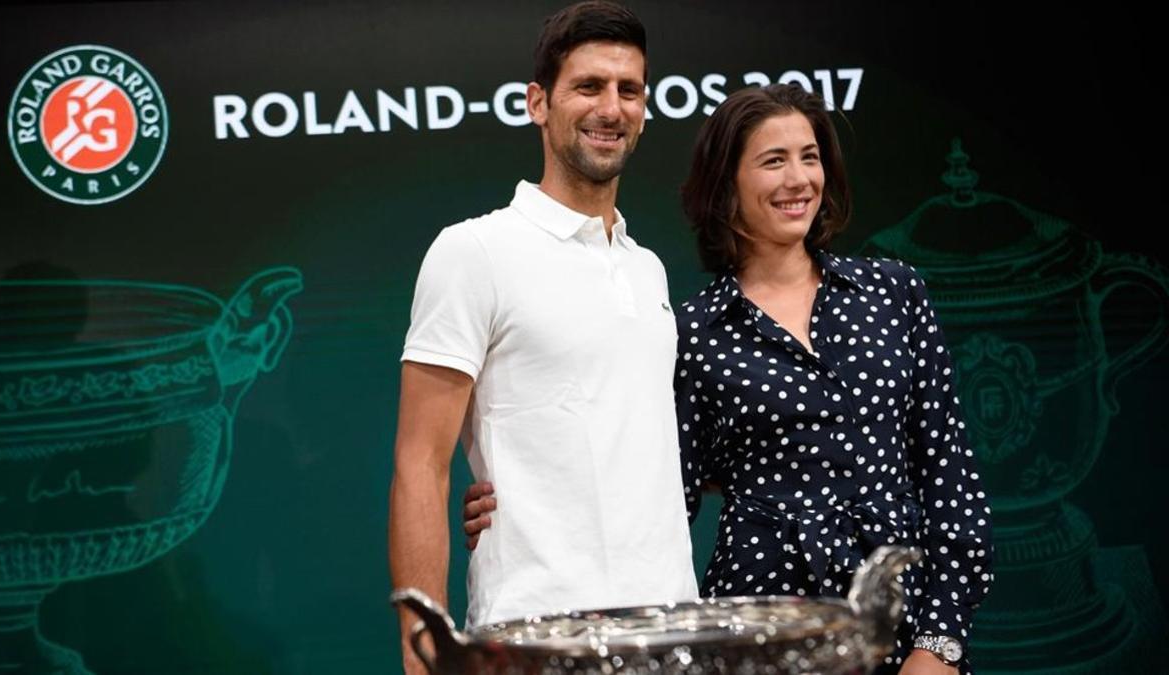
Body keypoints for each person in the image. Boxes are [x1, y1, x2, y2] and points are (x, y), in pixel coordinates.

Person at [465, 84, 993, 674]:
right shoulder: (689, 334)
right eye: (774, 161)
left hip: (904, 628)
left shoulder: (893, 293)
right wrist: (524, 502)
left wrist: (938, 645)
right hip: (757, 634)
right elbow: (654, 497)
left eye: (810, 156)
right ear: (726, 186)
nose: (799, 180)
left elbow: (951, 481)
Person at [388, 2, 697, 673]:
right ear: (538, 102)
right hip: (528, 638)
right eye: (588, 87)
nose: (611, 108)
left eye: (629, 90)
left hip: (669, 635)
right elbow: (420, 463)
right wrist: (422, 655)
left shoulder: (647, 269)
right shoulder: (473, 251)